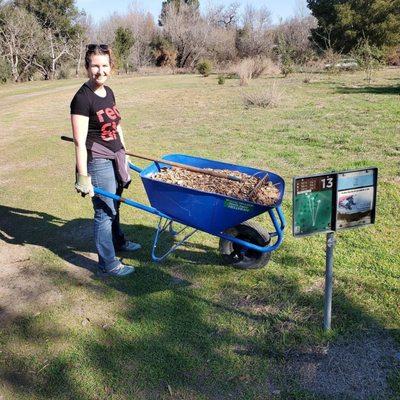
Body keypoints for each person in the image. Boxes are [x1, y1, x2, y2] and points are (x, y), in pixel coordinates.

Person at [70, 44, 141, 276]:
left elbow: (117, 125)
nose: (100, 71)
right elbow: (80, 142)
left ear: (111, 66)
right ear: (87, 67)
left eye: (105, 66)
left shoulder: (108, 92)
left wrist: (125, 152)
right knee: (104, 211)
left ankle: (119, 242)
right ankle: (108, 263)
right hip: (98, 159)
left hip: (115, 155)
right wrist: (83, 176)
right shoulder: (82, 99)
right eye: (95, 66)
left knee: (116, 204)